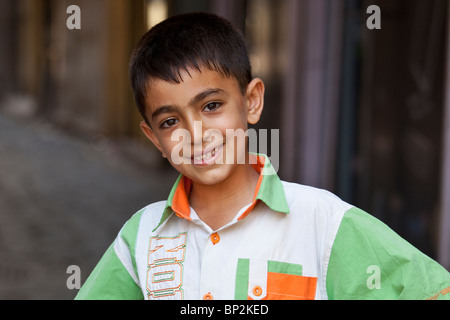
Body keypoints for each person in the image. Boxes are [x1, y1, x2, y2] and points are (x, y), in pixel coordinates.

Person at [75, 12, 450, 300]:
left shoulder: (324, 222)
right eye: (171, 120)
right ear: (154, 138)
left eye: (211, 105)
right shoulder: (141, 236)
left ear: (251, 101)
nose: (196, 133)